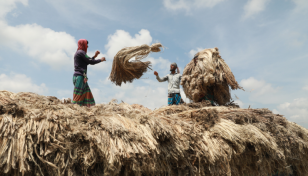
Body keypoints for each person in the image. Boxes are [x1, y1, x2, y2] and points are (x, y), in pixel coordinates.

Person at [72, 39, 106, 107]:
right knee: (78, 96)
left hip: (78, 76)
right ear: (83, 44)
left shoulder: (78, 53)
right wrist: (100, 60)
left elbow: (88, 61)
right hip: (80, 77)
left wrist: (95, 56)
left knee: (86, 93)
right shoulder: (81, 52)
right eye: (86, 44)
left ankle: (84, 110)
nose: (87, 46)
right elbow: (90, 61)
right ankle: (73, 109)